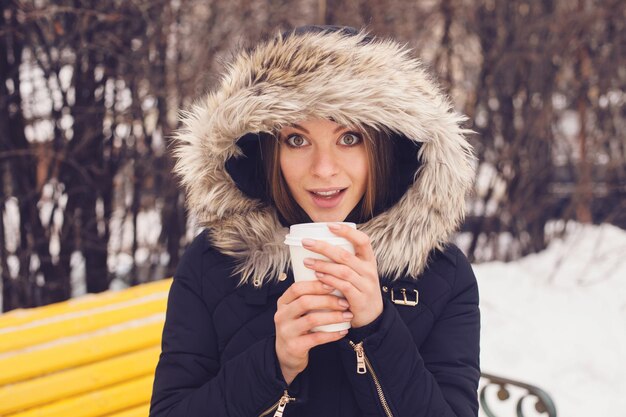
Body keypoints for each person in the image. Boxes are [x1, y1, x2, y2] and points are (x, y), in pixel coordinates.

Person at [149, 25, 480, 417]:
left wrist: (376, 329)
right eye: (297, 140)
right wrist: (275, 363)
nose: (323, 170)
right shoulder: (213, 263)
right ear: (268, 151)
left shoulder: (441, 274)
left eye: (350, 138)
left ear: (387, 146)